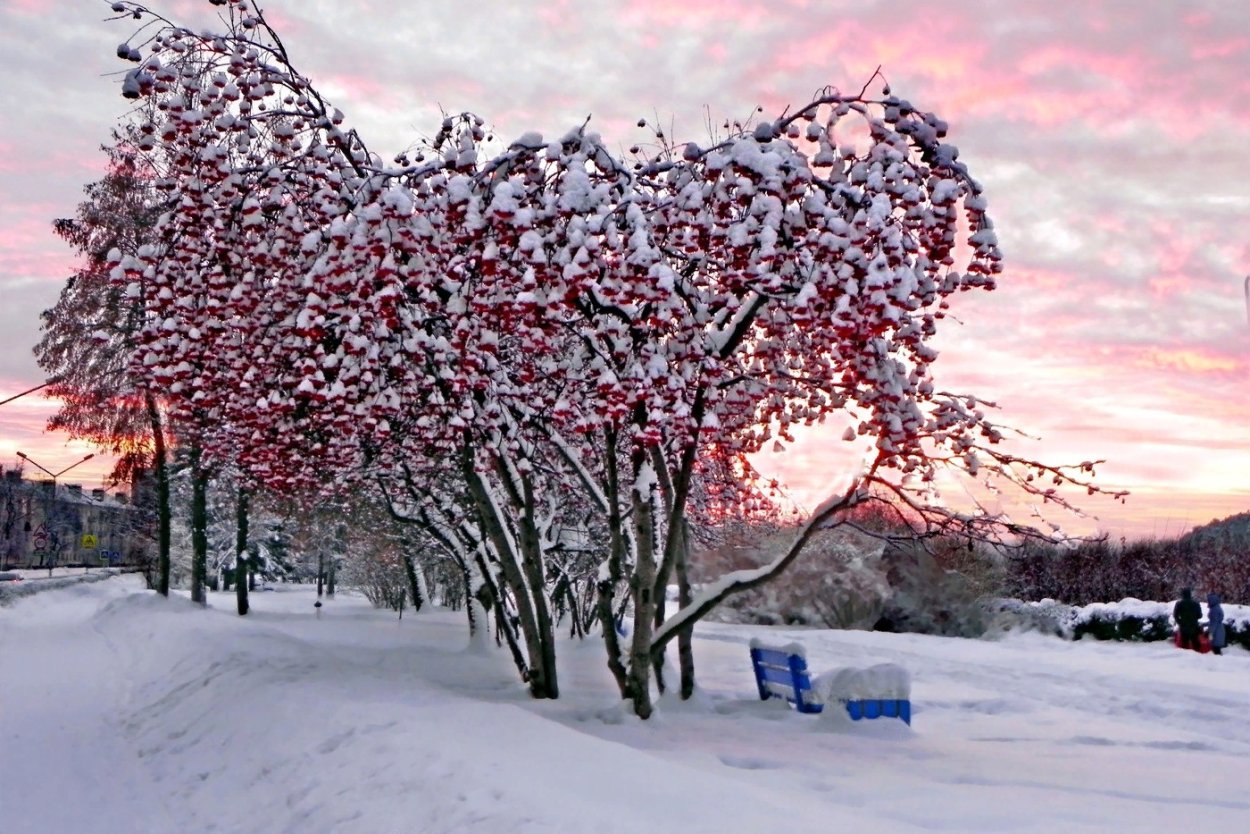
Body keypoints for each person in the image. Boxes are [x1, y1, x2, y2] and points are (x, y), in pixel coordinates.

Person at [1173, 588, 1203, 652]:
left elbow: (1175, 615)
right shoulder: (1196, 603)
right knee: (1195, 643)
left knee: (1184, 643)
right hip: (1194, 626)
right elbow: (1200, 616)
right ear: (1190, 594)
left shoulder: (1179, 604)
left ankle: (1185, 659)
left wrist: (1180, 622)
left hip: (1183, 626)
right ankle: (1198, 657)